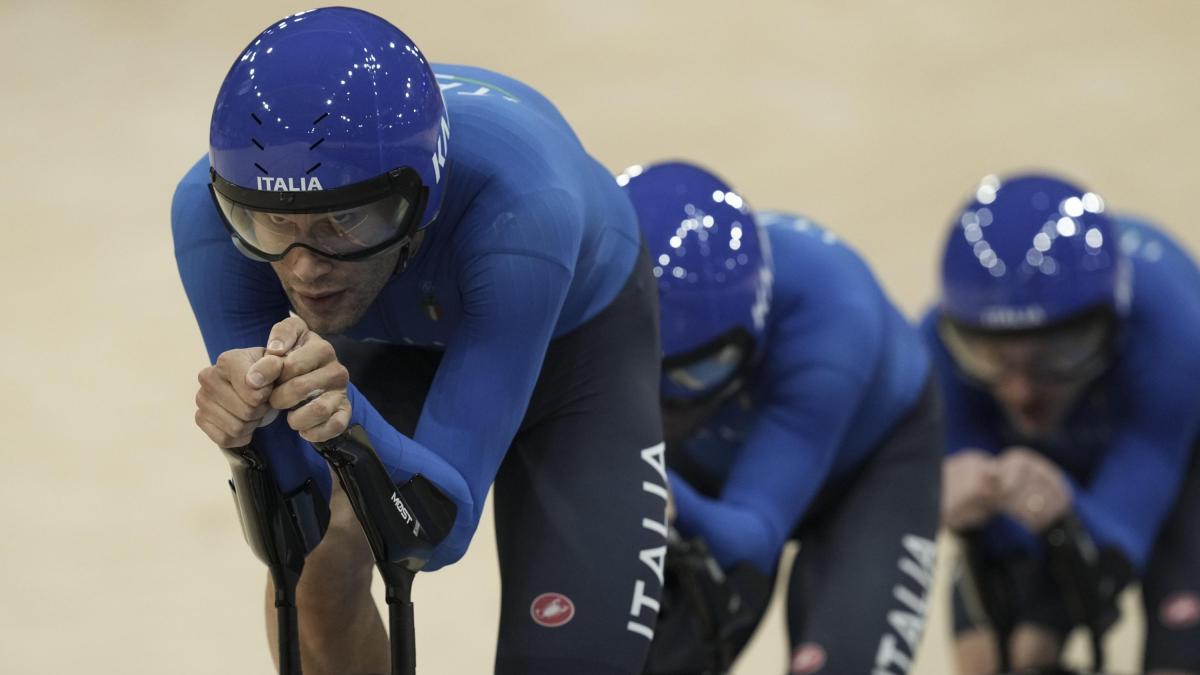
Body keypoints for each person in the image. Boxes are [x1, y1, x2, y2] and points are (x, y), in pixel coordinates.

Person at [172, 8, 668, 674]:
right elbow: (293, 516)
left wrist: (348, 412)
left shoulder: (522, 208)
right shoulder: (207, 217)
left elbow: (436, 530)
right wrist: (246, 440)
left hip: (576, 352)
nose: (304, 267)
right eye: (267, 224)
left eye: (344, 221)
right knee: (317, 569)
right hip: (397, 331)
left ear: (423, 197)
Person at [620, 161, 943, 674]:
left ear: (756, 330)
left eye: (695, 372)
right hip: (711, 456)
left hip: (872, 469)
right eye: (641, 372)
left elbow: (754, 537)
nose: (666, 401)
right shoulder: (648, 335)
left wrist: (665, 494)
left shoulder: (832, 328)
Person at [924, 172, 1200, 675]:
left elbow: (1118, 545)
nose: (1021, 391)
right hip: (1047, 466)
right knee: (996, 659)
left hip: (1182, 465)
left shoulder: (1174, 339)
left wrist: (1065, 511)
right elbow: (994, 544)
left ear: (1113, 328)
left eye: (1057, 354)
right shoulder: (938, 348)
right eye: (993, 359)